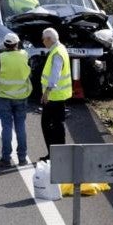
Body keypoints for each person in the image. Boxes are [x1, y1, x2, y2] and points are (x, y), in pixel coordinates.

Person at [0, 32, 31, 168]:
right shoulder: (25, 55)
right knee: (21, 126)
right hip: (21, 96)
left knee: (7, 127)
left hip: (4, 96)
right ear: (17, 43)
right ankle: (22, 158)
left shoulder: (0, 57)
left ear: (5, 44)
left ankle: (6, 158)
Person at [39, 27, 72, 161]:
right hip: (59, 95)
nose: (42, 42)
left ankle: (54, 155)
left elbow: (55, 74)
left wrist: (47, 91)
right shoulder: (61, 49)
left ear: (48, 39)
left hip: (54, 96)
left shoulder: (56, 53)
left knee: (48, 125)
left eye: (43, 39)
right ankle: (57, 154)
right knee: (57, 125)